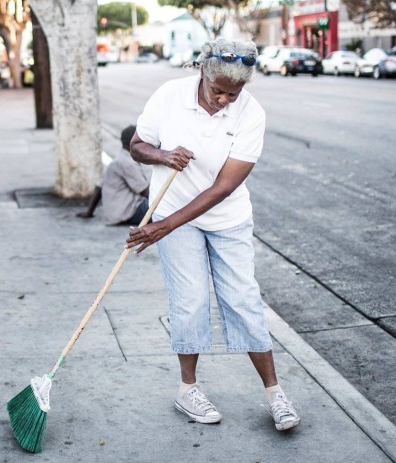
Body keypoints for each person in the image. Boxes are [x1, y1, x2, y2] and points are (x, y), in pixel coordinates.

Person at [125, 37, 301, 431]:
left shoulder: (251, 114)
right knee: (190, 302)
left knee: (243, 300)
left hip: (226, 220)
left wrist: (161, 228)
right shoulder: (169, 95)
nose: (224, 100)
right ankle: (188, 390)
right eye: (218, 90)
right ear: (201, 73)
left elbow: (223, 188)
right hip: (171, 211)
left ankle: (275, 393)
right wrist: (163, 155)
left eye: (233, 94)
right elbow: (138, 146)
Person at [76, 125, 150, 225]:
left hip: (115, 214)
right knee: (164, 205)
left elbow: (99, 188)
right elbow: (145, 192)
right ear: (131, 144)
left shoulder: (118, 160)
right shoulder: (128, 163)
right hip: (128, 213)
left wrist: (89, 212)